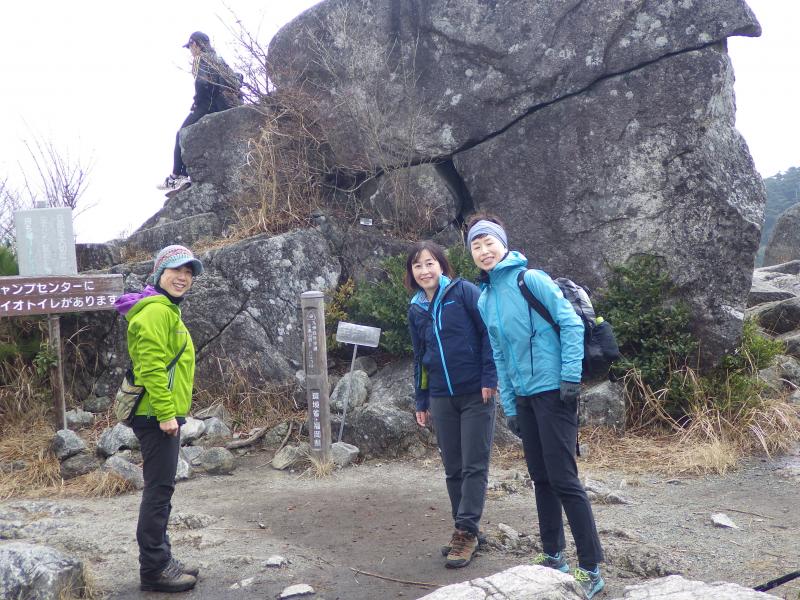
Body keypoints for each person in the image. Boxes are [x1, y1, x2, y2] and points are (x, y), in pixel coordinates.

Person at [466, 216, 605, 599]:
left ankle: (591, 568)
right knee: (540, 478)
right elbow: (500, 353)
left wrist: (570, 377)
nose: (484, 251)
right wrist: (510, 405)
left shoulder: (531, 279)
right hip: (525, 398)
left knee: (564, 479)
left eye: (489, 242)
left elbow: (571, 325)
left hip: (555, 391)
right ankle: (553, 556)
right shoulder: (485, 299)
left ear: (503, 243)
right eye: (476, 246)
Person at [114, 244, 204, 593]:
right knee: (158, 491)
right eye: (176, 270)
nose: (183, 277)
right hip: (155, 415)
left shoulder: (166, 309)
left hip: (160, 413)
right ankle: (154, 569)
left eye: (189, 272)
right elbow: (150, 366)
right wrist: (167, 414)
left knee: (162, 489)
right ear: (159, 274)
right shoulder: (155, 311)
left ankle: (162, 559)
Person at [405, 240, 497, 569]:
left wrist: (489, 377)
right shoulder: (416, 309)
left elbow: (488, 334)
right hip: (441, 396)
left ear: (442, 265)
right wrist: (422, 398)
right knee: (453, 468)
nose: (424, 270)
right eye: (418, 265)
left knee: (474, 464)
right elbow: (420, 357)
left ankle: (466, 531)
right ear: (411, 273)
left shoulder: (464, 292)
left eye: (430, 263)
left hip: (475, 393)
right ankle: (465, 528)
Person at [157, 31, 242, 191]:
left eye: (190, 46)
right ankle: (183, 176)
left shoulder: (200, 59)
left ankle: (177, 177)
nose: (190, 51)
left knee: (181, 133)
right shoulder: (219, 59)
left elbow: (202, 83)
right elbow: (237, 80)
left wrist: (197, 102)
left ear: (195, 44)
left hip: (208, 104)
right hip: (225, 105)